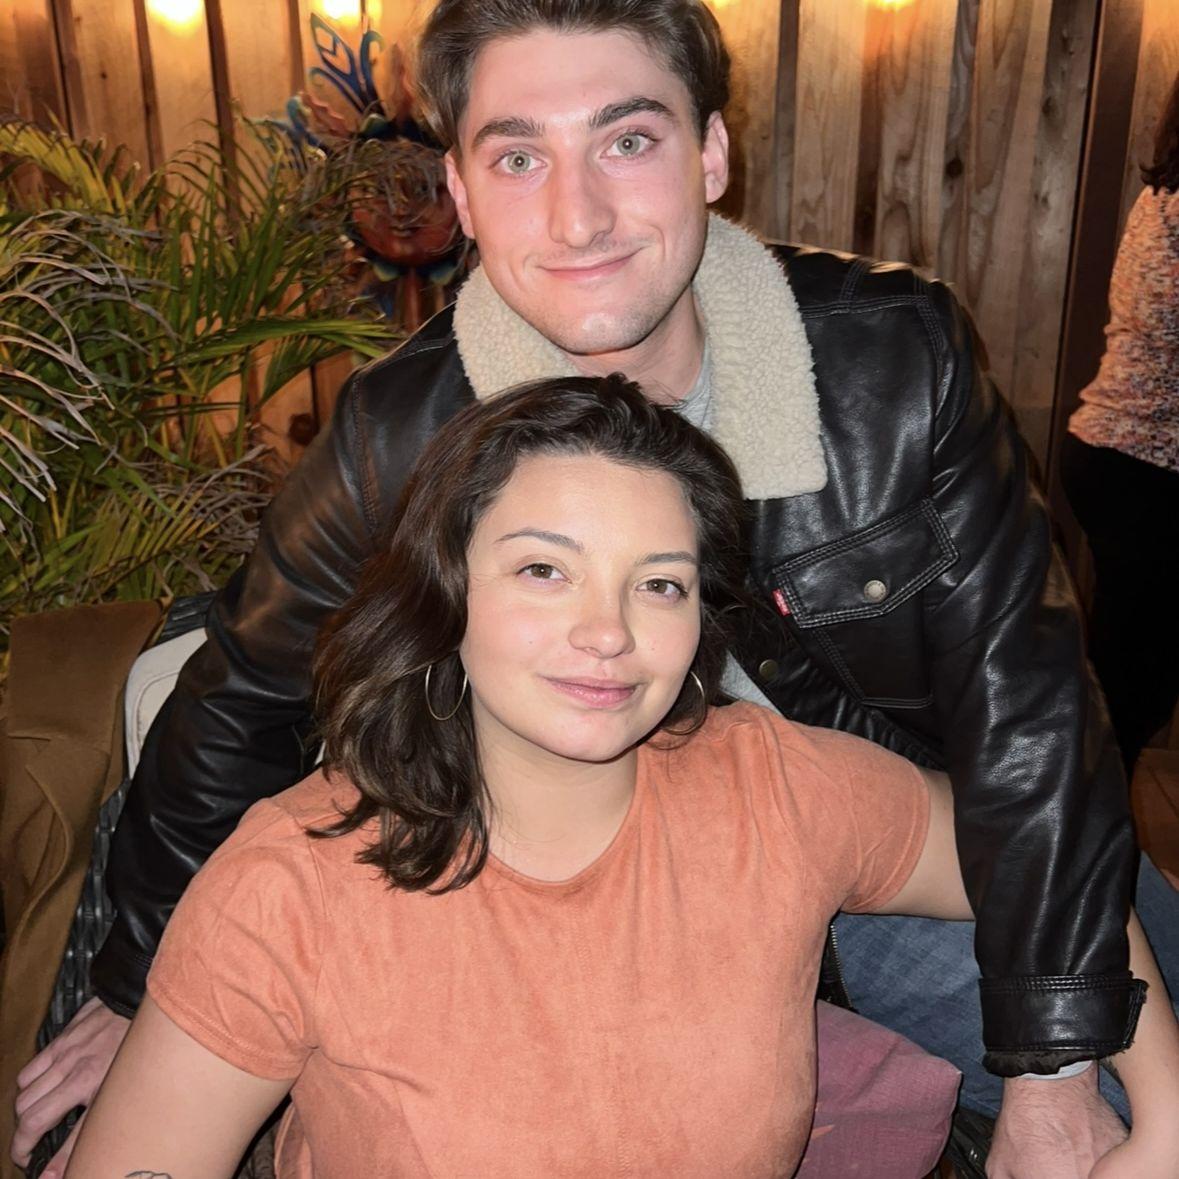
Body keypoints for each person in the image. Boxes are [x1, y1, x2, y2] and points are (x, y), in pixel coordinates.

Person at [13, 1, 1175, 1174]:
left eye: (627, 140)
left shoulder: (895, 359)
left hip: (909, 831)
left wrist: (1057, 1065)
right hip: (596, 867)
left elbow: (1028, 713)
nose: (578, 217)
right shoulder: (397, 433)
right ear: (461, 196)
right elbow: (243, 698)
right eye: (519, 157)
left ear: (710, 154)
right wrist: (133, 985)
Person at [62, 377, 1179, 1179]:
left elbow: (1040, 852)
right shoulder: (293, 882)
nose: (608, 633)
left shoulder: (771, 791)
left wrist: (1165, 1119)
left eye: (658, 584)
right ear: (446, 592)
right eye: (544, 570)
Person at [1062, 71, 1179, 778]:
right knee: (1131, 685)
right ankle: (1080, 823)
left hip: (1123, 460)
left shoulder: (1160, 197)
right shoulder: (1170, 203)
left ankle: (1083, 815)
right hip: (1142, 467)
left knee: (1131, 676)